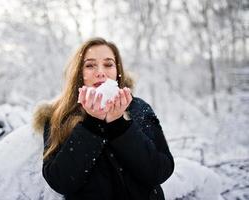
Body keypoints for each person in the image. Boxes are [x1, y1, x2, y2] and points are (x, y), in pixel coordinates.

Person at [32, 37, 174, 200]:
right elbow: (61, 181)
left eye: (108, 64)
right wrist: (92, 124)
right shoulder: (59, 115)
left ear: (117, 71)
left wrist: (119, 124)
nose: (101, 72)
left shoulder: (138, 108)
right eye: (90, 65)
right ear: (79, 73)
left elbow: (159, 171)